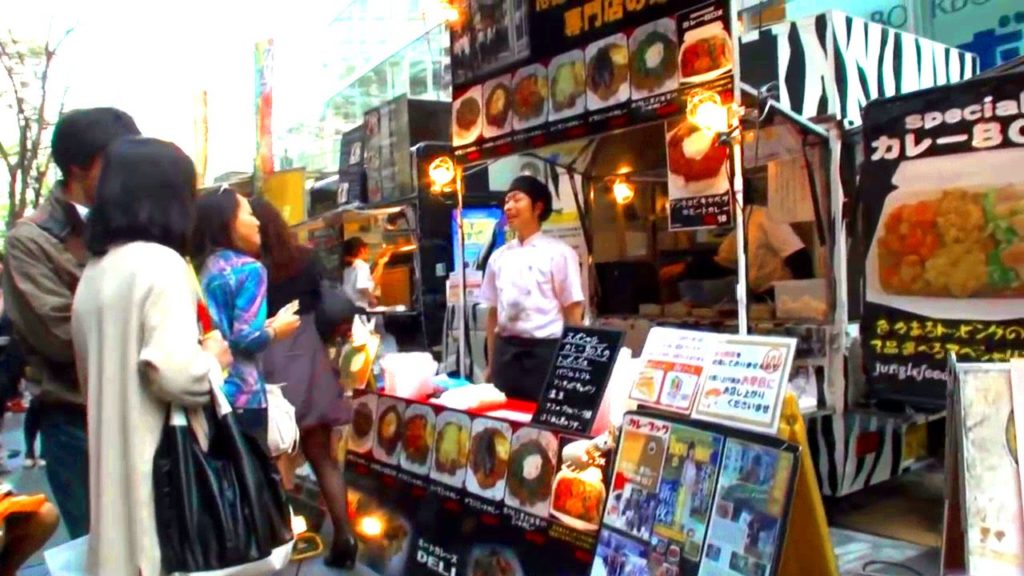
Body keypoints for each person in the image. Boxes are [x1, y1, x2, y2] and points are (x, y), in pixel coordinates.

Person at [70, 137, 234, 575]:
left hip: (111, 478)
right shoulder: (162, 265)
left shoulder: (95, 272)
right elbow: (174, 374)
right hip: (162, 480)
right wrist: (214, 358)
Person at [2, 107, 140, 538]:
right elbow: (64, 336)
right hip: (79, 423)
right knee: (102, 549)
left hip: (143, 412)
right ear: (80, 168)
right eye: (118, 163)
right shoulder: (31, 240)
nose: (131, 175)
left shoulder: (135, 225)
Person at [250, 198, 358, 569]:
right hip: (309, 356)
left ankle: (283, 544)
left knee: (274, 456)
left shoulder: (249, 269)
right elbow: (319, 305)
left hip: (269, 360)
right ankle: (344, 534)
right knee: (321, 456)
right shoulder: (305, 259)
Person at [193, 187, 301, 446]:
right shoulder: (250, 270)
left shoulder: (200, 269)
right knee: (252, 478)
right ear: (229, 221)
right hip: (244, 394)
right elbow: (245, 338)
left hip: (211, 391)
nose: (257, 222)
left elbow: (223, 330)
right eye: (249, 214)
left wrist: (265, 323)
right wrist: (277, 330)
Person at [479, 175, 585, 400]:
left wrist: (575, 366)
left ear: (538, 207)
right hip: (505, 355)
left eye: (516, 199)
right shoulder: (498, 257)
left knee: (541, 427)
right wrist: (491, 362)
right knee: (503, 422)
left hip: (545, 355)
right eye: (506, 201)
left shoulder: (560, 253)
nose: (508, 206)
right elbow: (493, 313)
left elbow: (573, 313)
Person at [341, 237, 393, 311]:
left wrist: (381, 263)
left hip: (350, 308)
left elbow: (372, 281)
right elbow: (362, 287)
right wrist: (372, 299)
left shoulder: (349, 267)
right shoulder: (361, 265)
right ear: (361, 250)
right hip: (360, 308)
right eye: (366, 248)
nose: (367, 250)